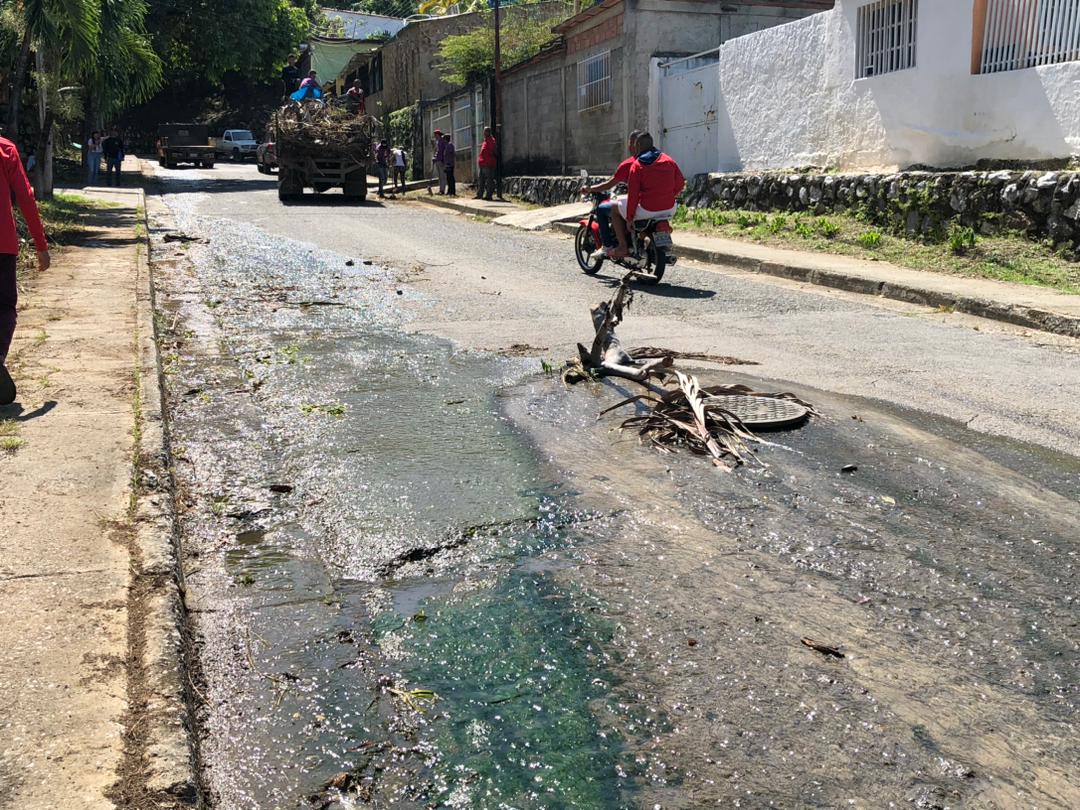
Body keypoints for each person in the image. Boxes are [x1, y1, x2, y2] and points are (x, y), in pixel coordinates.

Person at [0, 136, 50, 405]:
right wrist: (40, 245)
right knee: (5, 307)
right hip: (2, 246)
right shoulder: (5, 149)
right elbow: (26, 196)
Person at [581, 129, 642, 260]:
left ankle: (611, 246)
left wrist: (590, 189)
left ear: (631, 144)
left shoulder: (629, 164)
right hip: (657, 204)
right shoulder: (657, 159)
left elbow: (609, 184)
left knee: (602, 209)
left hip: (638, 204)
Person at [621, 131, 685, 250]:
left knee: (616, 208)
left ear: (638, 146)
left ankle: (627, 244)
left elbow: (633, 195)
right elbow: (680, 183)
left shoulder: (637, 165)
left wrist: (629, 219)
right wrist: (669, 195)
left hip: (648, 209)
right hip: (669, 207)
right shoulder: (669, 160)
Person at [475, 126, 497, 201]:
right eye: (484, 131)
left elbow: (493, 151)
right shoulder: (485, 141)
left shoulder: (491, 140)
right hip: (483, 163)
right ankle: (479, 194)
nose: (484, 133)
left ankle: (489, 195)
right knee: (481, 180)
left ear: (488, 132)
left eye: (485, 131)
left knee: (489, 180)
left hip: (488, 163)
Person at [431, 129, 446, 195]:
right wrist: (434, 157)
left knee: (442, 176)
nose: (435, 136)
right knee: (440, 176)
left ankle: (442, 190)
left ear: (438, 135)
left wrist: (436, 157)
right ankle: (440, 190)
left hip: (441, 160)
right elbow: (437, 152)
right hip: (438, 160)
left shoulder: (441, 142)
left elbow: (441, 152)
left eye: (435, 135)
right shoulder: (438, 142)